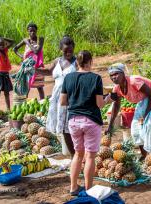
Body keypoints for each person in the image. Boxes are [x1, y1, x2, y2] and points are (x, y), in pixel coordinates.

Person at [60, 50, 111, 195]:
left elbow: (63, 101)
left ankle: (73, 187)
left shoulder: (68, 78)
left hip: (73, 121)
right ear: (90, 62)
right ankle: (88, 190)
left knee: (77, 154)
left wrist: (77, 101)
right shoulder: (96, 78)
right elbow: (100, 104)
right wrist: (108, 99)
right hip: (91, 121)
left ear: (77, 62)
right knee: (90, 156)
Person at [106, 63, 151, 160]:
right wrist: (110, 125)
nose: (114, 77)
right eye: (111, 75)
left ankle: (150, 158)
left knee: (149, 124)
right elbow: (116, 106)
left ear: (123, 73)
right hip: (145, 98)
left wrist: (145, 115)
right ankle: (144, 156)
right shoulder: (116, 88)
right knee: (135, 127)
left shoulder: (133, 81)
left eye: (116, 74)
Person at [36, 36, 76, 156]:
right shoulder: (57, 61)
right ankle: (73, 154)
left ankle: (75, 154)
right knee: (63, 127)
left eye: (70, 50)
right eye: (65, 51)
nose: (68, 53)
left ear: (74, 48)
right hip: (58, 97)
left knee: (71, 127)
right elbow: (48, 71)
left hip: (71, 97)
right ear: (60, 49)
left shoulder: (77, 62)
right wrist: (34, 70)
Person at [13, 23, 45, 99]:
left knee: (39, 87)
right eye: (30, 31)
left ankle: (43, 103)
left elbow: (36, 52)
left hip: (38, 67)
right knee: (27, 87)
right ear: (28, 31)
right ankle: (24, 105)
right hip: (28, 67)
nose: (32, 32)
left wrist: (27, 42)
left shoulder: (40, 39)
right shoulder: (26, 40)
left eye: (34, 31)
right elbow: (15, 49)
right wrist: (23, 57)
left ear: (36, 31)